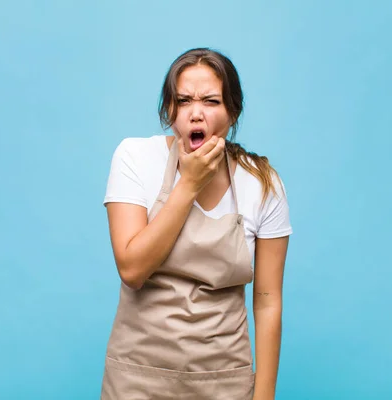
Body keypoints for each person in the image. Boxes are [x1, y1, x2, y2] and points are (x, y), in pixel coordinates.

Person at [100, 47, 292, 399]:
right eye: (184, 100)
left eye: (211, 101)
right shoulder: (135, 158)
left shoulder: (262, 183)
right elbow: (132, 269)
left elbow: (267, 300)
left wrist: (263, 396)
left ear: (233, 111)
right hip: (137, 379)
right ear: (169, 110)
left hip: (224, 383)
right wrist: (188, 184)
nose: (196, 114)